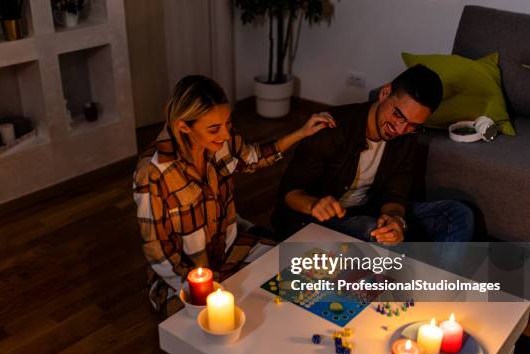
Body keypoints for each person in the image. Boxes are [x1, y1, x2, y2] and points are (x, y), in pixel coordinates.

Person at [133, 75, 335, 317]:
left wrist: (302, 132)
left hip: (228, 251)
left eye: (227, 123)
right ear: (183, 126)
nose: (226, 134)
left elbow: (252, 158)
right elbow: (158, 250)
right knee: (206, 323)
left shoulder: (221, 140)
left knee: (290, 269)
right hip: (184, 275)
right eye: (214, 128)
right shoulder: (153, 173)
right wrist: (195, 289)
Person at [273, 64, 474, 245]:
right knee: (373, 232)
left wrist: (395, 220)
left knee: (456, 213)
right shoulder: (333, 127)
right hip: (315, 219)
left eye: (413, 125)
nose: (400, 128)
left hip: (368, 210)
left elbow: (395, 195)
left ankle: (440, 284)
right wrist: (315, 205)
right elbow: (289, 193)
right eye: (398, 115)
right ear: (385, 93)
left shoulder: (408, 136)